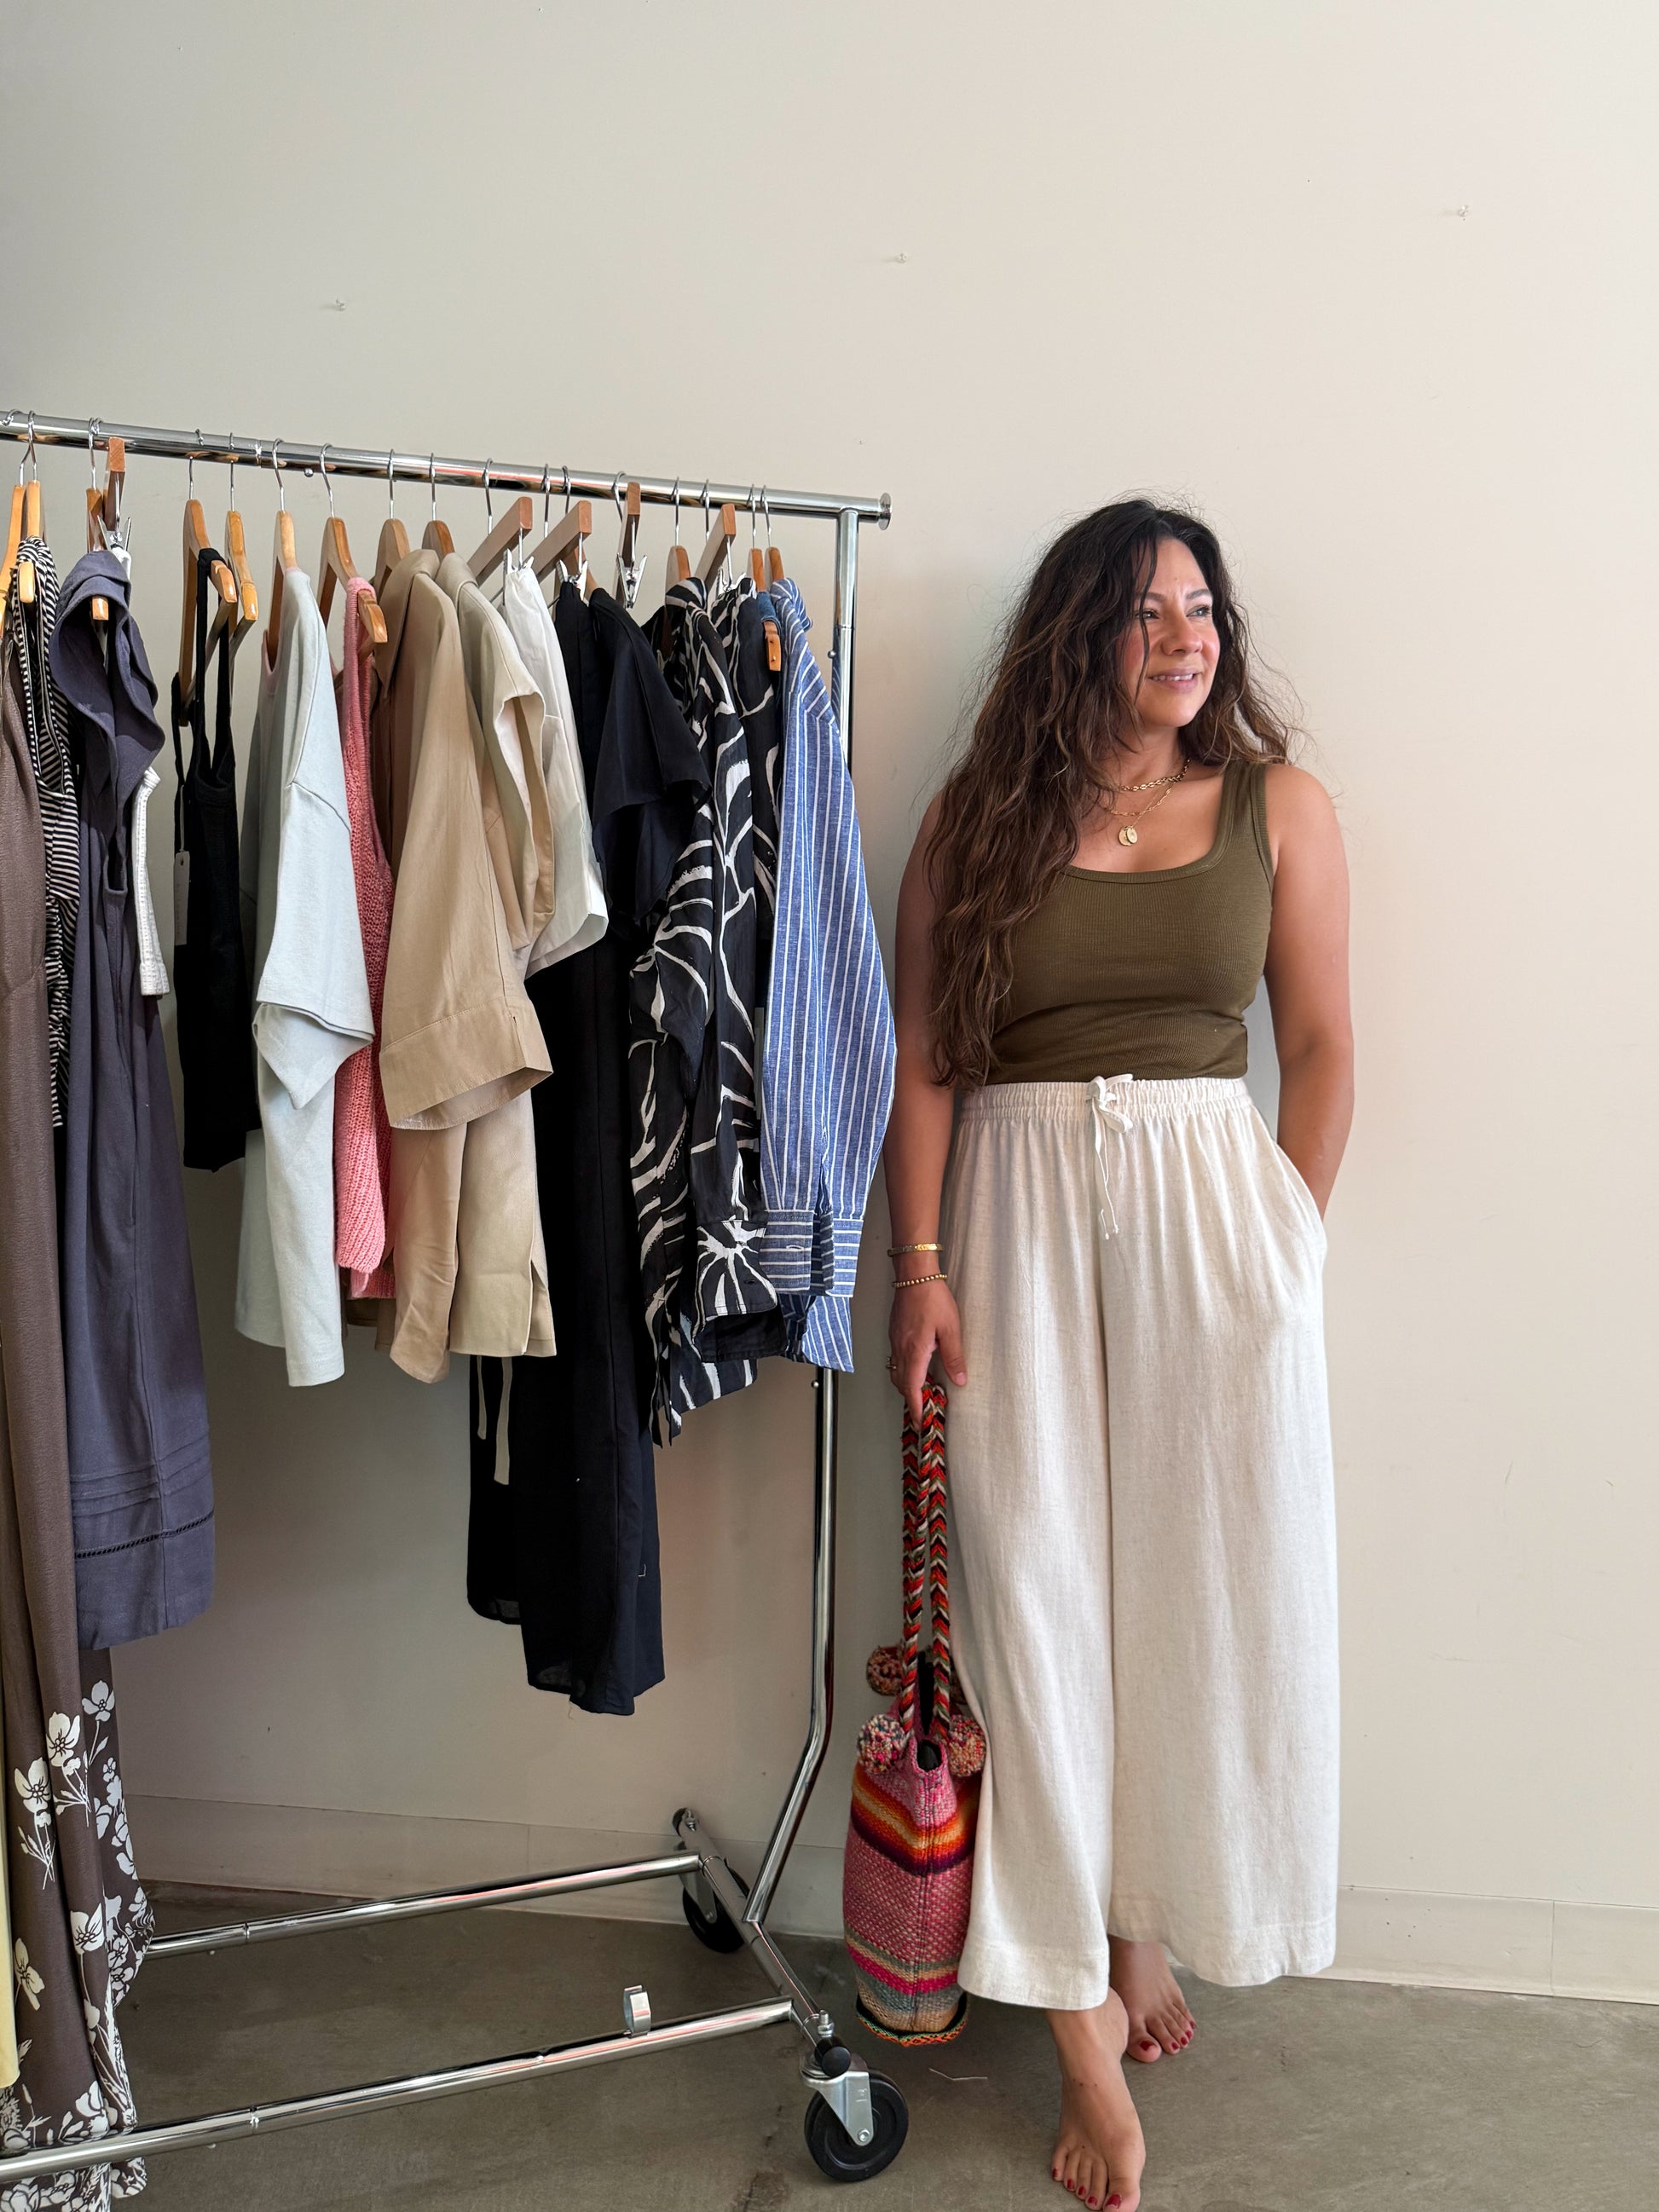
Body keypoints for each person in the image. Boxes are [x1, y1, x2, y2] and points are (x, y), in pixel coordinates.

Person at [883, 500, 1351, 2212]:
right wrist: (918, 1268)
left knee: (1199, 1589)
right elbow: (922, 1056)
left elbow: (1321, 1043)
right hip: (1009, 1211)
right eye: (1146, 610)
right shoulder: (977, 819)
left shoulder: (1279, 809)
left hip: (1208, 1219)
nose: (1184, 635)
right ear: (1074, 633)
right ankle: (1077, 2017)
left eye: (1201, 607)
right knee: (1030, 1593)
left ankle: (1140, 1913)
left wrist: (1285, 1241)